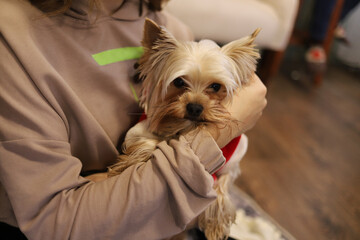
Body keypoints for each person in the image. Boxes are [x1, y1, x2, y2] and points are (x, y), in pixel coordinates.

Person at [0, 0, 267, 239]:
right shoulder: (13, 39)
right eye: (180, 83)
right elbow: (56, 224)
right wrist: (220, 131)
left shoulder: (173, 29)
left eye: (214, 88)